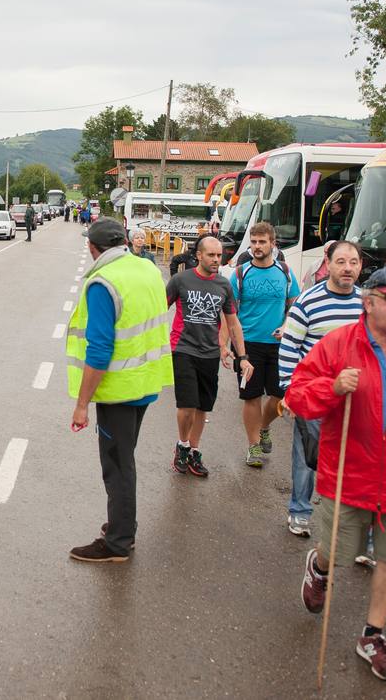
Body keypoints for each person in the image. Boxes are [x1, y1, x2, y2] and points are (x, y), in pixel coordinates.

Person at [286, 263, 386, 683]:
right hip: (347, 474)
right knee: (338, 552)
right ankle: (320, 568)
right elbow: (298, 397)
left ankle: (373, 636)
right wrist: (332, 387)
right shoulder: (338, 345)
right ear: (368, 302)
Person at [66, 217, 174, 562]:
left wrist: (82, 404)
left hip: (118, 389)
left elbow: (99, 349)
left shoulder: (103, 282)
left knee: (117, 465)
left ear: (93, 248)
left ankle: (118, 542)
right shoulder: (148, 270)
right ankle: (122, 524)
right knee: (124, 458)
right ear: (125, 242)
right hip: (145, 382)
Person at [277, 239, 365, 538]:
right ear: (328, 264)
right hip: (313, 396)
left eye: (353, 262)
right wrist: (290, 392)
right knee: (308, 457)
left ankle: (354, 526)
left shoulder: (367, 304)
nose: (347, 268)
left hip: (354, 399)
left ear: (361, 266)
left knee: (355, 461)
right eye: (341, 262)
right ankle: (300, 511)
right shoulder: (307, 302)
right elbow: (290, 346)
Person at [164, 234, 251, 477]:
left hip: (209, 353)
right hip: (183, 349)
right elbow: (159, 309)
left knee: (203, 406)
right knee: (187, 404)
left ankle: (194, 449)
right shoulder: (180, 280)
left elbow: (233, 323)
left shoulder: (224, 285)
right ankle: (182, 445)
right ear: (198, 255)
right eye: (211, 255)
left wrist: (242, 356)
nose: (216, 259)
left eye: (219, 255)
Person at [228, 222, 300, 468]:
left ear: (273, 244)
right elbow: (229, 312)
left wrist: (286, 325)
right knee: (251, 396)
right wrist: (230, 346)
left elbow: (294, 306)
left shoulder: (285, 272)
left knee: (280, 394)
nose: (257, 246)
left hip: (279, 345)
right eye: (254, 242)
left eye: (262, 242)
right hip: (248, 344)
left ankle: (264, 426)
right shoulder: (240, 273)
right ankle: (253, 446)